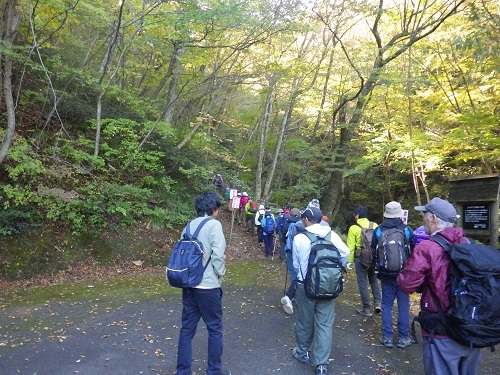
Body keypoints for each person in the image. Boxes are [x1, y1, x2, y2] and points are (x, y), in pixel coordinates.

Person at [398, 197, 482, 375]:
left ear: (433, 218)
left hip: (441, 330)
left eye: (424, 216)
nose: (423, 219)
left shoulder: (427, 248)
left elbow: (406, 284)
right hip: (471, 329)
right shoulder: (469, 245)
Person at [175, 191, 231, 375]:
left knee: (187, 330)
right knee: (214, 328)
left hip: (189, 284)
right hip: (208, 286)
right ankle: (214, 371)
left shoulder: (189, 226)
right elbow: (218, 254)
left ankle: (183, 371)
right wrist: (219, 275)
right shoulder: (214, 225)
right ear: (213, 209)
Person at [292, 207, 350, 375]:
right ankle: (321, 364)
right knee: (325, 325)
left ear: (307, 220)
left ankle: (302, 352)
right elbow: (345, 252)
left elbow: (296, 264)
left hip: (305, 286)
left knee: (305, 321)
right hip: (329, 286)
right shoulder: (332, 235)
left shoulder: (300, 238)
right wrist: (335, 269)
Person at [370, 201, 414, 349]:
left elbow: (373, 251)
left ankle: (387, 337)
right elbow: (413, 250)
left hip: (386, 273)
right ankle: (403, 338)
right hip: (404, 274)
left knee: (387, 304)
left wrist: (378, 267)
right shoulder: (407, 230)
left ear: (385, 214)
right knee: (403, 304)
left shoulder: (379, 230)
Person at [346, 206, 381, 317]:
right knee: (373, 280)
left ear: (357, 215)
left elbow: (350, 247)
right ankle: (378, 303)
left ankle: (366, 308)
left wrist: (349, 261)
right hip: (373, 257)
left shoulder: (354, 228)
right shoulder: (375, 225)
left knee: (362, 283)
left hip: (360, 257)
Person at [280, 207, 302, 314]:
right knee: (300, 273)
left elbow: (283, 237)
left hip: (290, 251)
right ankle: (297, 295)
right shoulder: (302, 224)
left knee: (293, 272)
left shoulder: (286, 222)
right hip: (300, 252)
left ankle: (292, 295)